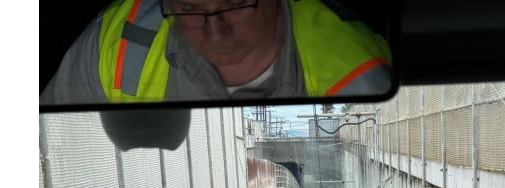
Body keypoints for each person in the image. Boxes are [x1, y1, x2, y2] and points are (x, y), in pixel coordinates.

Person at [41, 0, 392, 105]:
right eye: (189, 7)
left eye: (235, 4)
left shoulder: (356, 65)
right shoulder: (118, 40)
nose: (214, 29)